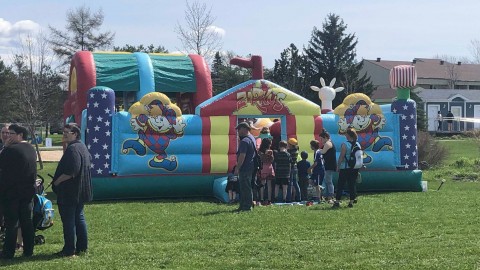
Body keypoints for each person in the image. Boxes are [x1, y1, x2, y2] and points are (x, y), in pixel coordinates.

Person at [52, 123, 93, 257]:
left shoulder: (73, 149)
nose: (64, 134)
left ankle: (69, 250)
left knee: (69, 221)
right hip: (80, 190)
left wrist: (56, 181)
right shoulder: (82, 146)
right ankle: (82, 247)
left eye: (67, 132)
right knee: (78, 218)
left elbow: (71, 171)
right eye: (63, 132)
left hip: (70, 192)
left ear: (75, 134)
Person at [0, 124, 36, 259]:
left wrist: (5, 147)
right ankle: (28, 251)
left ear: (20, 135)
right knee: (27, 222)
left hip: (12, 193)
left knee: (11, 223)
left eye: (11, 134)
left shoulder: (11, 150)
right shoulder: (31, 149)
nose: (8, 136)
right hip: (27, 192)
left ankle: (8, 252)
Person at [333, 127, 360, 208]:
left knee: (341, 184)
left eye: (346, 134)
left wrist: (338, 166)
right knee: (352, 184)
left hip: (345, 167)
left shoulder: (345, 144)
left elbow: (341, 156)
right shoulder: (357, 144)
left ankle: (337, 201)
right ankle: (351, 201)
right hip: (355, 167)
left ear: (348, 135)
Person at [234, 122, 257, 212]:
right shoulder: (252, 138)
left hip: (245, 167)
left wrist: (237, 167)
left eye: (239, 129)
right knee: (246, 186)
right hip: (251, 166)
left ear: (244, 129)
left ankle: (247, 206)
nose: (238, 131)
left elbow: (242, 156)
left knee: (245, 187)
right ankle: (244, 205)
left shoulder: (244, 141)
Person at [319, 129, 336, 203]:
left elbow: (323, 151)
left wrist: (317, 150)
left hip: (329, 165)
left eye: (322, 139)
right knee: (326, 180)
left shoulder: (328, 143)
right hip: (327, 164)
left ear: (325, 137)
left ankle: (331, 195)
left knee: (328, 181)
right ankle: (327, 195)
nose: (321, 140)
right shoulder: (327, 143)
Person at [258, 138, 274, 205]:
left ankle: (261, 199)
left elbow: (259, 159)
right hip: (269, 167)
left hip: (262, 167)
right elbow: (272, 160)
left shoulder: (260, 151)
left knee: (262, 184)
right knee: (269, 184)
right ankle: (269, 199)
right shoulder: (270, 151)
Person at [287, 138, 300, 202]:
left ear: (290, 144)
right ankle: (299, 197)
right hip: (295, 167)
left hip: (291, 168)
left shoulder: (290, 151)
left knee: (290, 183)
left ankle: (288, 198)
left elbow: (289, 160)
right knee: (295, 183)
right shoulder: (296, 150)